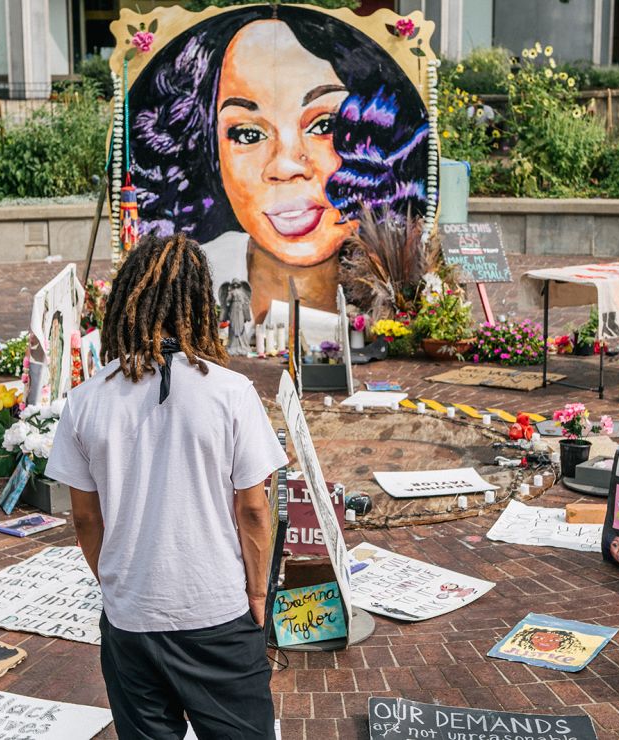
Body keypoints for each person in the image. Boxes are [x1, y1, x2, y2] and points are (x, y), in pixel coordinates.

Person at [46, 234, 289, 740]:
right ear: (201, 303)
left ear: (128, 304)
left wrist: (118, 585)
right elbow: (254, 512)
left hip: (132, 620)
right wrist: (259, 594)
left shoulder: (85, 401)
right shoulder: (230, 393)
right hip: (218, 612)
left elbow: (86, 521)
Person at [129, 6, 429, 320]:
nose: (285, 166)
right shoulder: (187, 280)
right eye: (247, 134)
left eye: (325, 125)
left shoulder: (402, 284)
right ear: (209, 151)